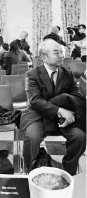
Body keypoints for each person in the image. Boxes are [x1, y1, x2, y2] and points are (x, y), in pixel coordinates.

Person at [20, 39, 86, 176]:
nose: (61, 55)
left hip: (63, 119)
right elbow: (35, 101)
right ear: (44, 57)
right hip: (38, 115)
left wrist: (65, 112)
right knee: (32, 138)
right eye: (56, 53)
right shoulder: (32, 74)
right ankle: (30, 173)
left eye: (61, 52)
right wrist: (60, 109)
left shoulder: (67, 74)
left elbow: (77, 96)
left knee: (80, 137)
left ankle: (68, 171)